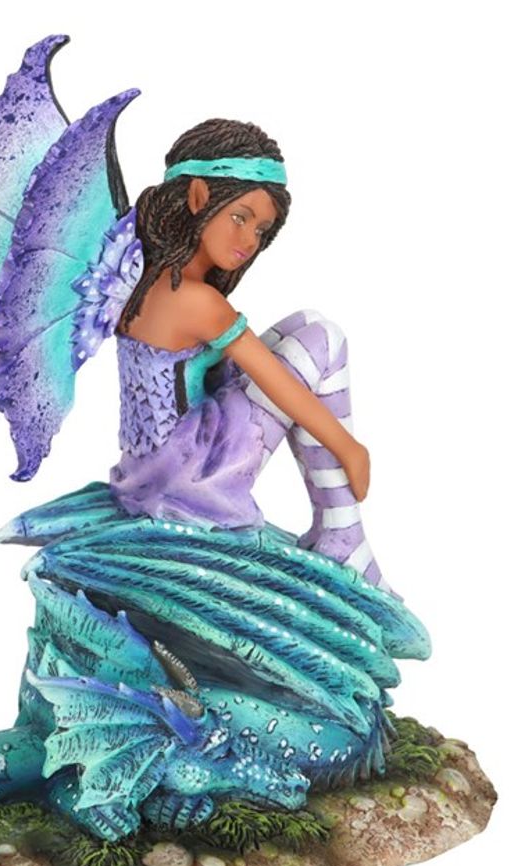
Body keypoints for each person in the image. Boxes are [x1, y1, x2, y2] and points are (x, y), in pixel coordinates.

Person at [110, 118, 390, 591]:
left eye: (261, 229)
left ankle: (339, 532)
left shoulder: (137, 279)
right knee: (324, 338)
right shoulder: (198, 302)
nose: (248, 241)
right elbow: (278, 385)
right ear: (198, 196)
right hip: (193, 475)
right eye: (239, 218)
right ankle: (342, 533)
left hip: (144, 474)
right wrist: (348, 447)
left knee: (302, 324)